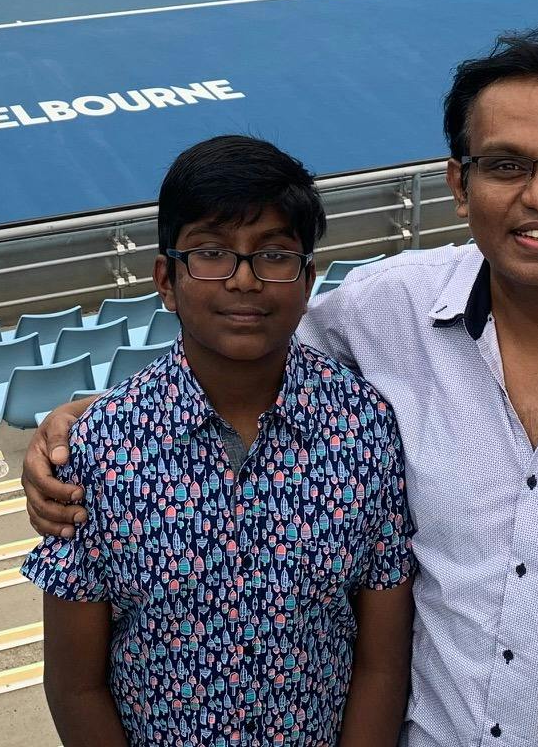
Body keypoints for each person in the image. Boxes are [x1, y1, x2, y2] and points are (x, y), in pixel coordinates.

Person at [27, 22, 538, 747]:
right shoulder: (388, 311)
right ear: (459, 185)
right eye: (505, 165)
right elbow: (239, 348)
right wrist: (85, 426)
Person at [22, 134, 415, 747]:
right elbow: (75, 685)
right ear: (166, 280)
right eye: (210, 252)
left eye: (274, 254)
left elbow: (381, 662)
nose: (243, 280)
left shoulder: (363, 428)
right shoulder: (98, 451)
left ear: (308, 278)